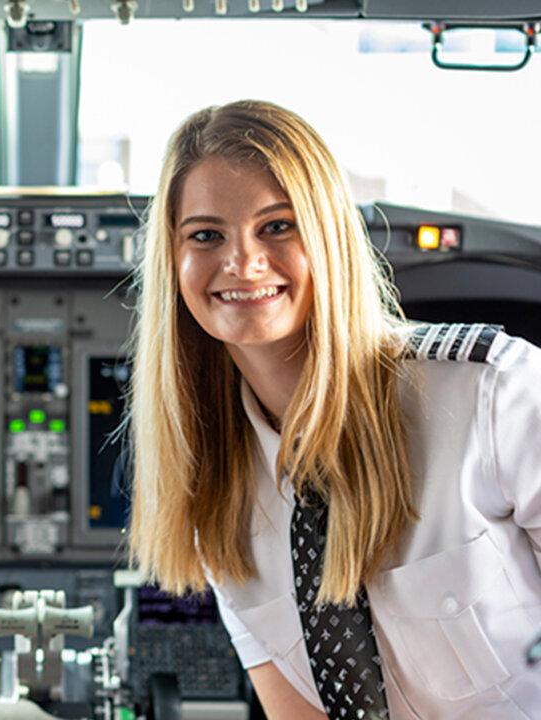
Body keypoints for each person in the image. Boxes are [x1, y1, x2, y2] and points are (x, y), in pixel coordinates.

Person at [126, 100, 541, 718]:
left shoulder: (495, 393)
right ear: (174, 260)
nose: (241, 262)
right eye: (206, 235)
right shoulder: (211, 486)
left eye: (277, 226)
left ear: (329, 234)